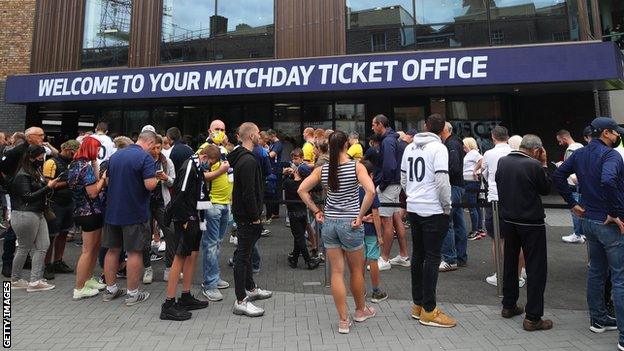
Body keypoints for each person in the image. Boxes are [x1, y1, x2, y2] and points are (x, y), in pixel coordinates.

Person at [552, 117, 624, 350]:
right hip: (609, 223)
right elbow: (609, 179)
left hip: (590, 221)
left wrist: (572, 203)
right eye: (615, 133)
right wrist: (614, 212)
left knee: (596, 271)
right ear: (605, 133)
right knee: (619, 278)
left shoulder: (580, 154)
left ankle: (599, 320)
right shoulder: (611, 155)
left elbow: (558, 176)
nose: (617, 136)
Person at [299, 130, 376, 334]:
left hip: (330, 223)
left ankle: (343, 320)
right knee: (357, 271)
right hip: (350, 223)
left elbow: (302, 190)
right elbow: (371, 191)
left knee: (336, 272)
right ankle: (360, 310)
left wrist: (316, 210)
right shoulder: (356, 167)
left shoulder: (323, 169)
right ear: (345, 146)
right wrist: (360, 215)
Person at [401, 113, 456, 328]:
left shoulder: (409, 147)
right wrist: (446, 206)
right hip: (433, 209)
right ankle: (430, 310)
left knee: (418, 256)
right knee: (432, 258)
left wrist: (413, 196)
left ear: (425, 126)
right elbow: (442, 180)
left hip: (414, 207)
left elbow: (403, 179)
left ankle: (418, 305)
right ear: (443, 131)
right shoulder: (439, 148)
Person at [496, 135, 553, 331]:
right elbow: (545, 188)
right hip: (531, 222)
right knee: (536, 268)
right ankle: (533, 316)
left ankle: (509, 305)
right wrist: (544, 164)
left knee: (510, 263)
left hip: (509, 219)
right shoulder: (533, 165)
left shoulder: (503, 162)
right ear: (536, 150)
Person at [160, 145, 219, 321]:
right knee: (180, 256)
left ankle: (185, 295)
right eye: (210, 162)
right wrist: (178, 217)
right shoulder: (189, 166)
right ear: (203, 156)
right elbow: (181, 191)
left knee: (192, 254)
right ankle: (168, 303)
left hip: (195, 215)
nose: (210, 165)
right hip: (186, 216)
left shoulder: (197, 167)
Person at [101, 130, 158, 306]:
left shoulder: (117, 156)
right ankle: (133, 293)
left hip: (113, 211)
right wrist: (157, 179)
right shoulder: (145, 158)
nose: (153, 150)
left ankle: (110, 290)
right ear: (149, 143)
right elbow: (149, 185)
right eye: (153, 147)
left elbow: (108, 181)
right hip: (134, 212)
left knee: (113, 250)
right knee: (134, 252)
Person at [228, 122, 273, 317]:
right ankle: (240, 299)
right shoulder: (248, 160)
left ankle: (251, 288)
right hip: (247, 216)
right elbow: (248, 192)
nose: (260, 137)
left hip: (245, 215)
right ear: (251, 136)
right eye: (257, 134)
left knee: (244, 254)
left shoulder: (244, 158)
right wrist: (255, 217)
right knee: (242, 256)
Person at [9, 145, 59, 292]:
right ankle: (18, 279)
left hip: (36, 213)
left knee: (43, 245)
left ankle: (33, 280)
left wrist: (47, 186)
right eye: (39, 157)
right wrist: (48, 187)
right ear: (31, 157)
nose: (41, 159)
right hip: (26, 214)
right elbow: (27, 197)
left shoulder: (33, 171)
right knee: (25, 247)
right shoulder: (22, 174)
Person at [481, 126, 525, 287]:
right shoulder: (515, 152)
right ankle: (519, 275)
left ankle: (500, 274)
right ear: (507, 136)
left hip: (495, 199)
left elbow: (484, 174)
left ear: (493, 137)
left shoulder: (489, 154)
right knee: (518, 239)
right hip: (515, 199)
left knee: (497, 239)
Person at [1, 127, 45, 277]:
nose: (43, 137)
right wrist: (9, 183)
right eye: (40, 135)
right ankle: (7, 263)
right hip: (19, 195)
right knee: (13, 231)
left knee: (28, 236)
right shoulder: (17, 150)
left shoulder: (38, 149)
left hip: (32, 194)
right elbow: (4, 168)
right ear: (30, 137)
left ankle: (24, 261)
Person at [68, 136, 108, 299]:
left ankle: (88, 279)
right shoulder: (85, 167)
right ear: (92, 148)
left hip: (80, 211)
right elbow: (93, 192)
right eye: (97, 149)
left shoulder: (75, 164)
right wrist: (104, 179)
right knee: (88, 250)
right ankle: (79, 287)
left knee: (93, 249)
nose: (99, 152)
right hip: (89, 212)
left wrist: (95, 163)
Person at [198, 120, 233, 302]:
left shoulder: (224, 149)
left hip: (225, 203)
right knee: (211, 245)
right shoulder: (204, 149)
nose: (219, 131)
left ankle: (214, 276)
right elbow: (199, 175)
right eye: (216, 129)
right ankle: (209, 284)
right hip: (212, 204)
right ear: (209, 131)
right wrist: (221, 172)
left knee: (217, 244)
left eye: (222, 129)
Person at [371, 114, 409, 271]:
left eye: (374, 124)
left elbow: (389, 165)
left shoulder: (387, 141)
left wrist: (382, 185)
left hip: (389, 185)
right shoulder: (394, 139)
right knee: (395, 218)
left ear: (380, 124)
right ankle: (404, 255)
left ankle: (385, 258)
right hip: (394, 184)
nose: (372, 127)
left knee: (386, 221)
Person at [42, 139, 80, 280]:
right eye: (74, 152)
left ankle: (58, 261)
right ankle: (46, 265)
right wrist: (69, 182)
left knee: (63, 233)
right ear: (69, 150)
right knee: (51, 235)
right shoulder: (51, 162)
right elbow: (48, 185)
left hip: (69, 202)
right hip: (54, 203)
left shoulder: (72, 163)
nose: (75, 155)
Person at [145, 134, 176, 284]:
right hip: (145, 202)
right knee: (145, 235)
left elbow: (174, 182)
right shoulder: (144, 160)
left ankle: (169, 268)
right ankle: (147, 268)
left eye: (159, 147)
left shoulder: (166, 161)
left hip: (162, 202)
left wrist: (166, 178)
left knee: (170, 232)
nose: (156, 151)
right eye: (154, 148)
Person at [439, 122, 467, 272]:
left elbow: (454, 167)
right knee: (458, 221)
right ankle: (460, 257)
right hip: (457, 185)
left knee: (447, 221)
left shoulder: (451, 144)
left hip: (453, 186)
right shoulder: (454, 142)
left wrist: (444, 176)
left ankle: (450, 258)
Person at [359, 160, 388, 303]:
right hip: (371, 230)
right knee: (373, 259)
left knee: (360, 261)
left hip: (357, 230)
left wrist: (361, 218)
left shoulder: (352, 190)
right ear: (370, 175)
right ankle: (376, 291)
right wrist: (380, 235)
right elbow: (375, 214)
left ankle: (360, 290)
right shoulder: (370, 190)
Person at [283, 163, 319, 270]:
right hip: (303, 212)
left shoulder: (288, 183)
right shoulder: (305, 184)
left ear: (296, 172)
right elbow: (318, 186)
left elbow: (283, 183)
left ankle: (308, 261)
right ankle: (294, 258)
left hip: (293, 214)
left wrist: (287, 174)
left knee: (299, 238)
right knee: (298, 237)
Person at [556, 129, 585, 244]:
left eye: (559, 141)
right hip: (581, 182)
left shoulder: (570, 149)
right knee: (581, 207)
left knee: (575, 208)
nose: (559, 143)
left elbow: (571, 166)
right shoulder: (580, 146)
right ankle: (582, 233)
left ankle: (577, 234)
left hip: (573, 182)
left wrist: (562, 166)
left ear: (564, 138)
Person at [462, 137, 485, 240]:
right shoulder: (471, 153)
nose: (462, 147)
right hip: (472, 180)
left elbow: (481, 160)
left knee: (472, 206)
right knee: (476, 206)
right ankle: (479, 228)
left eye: (464, 145)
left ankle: (475, 230)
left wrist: (475, 170)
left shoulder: (473, 153)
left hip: (470, 180)